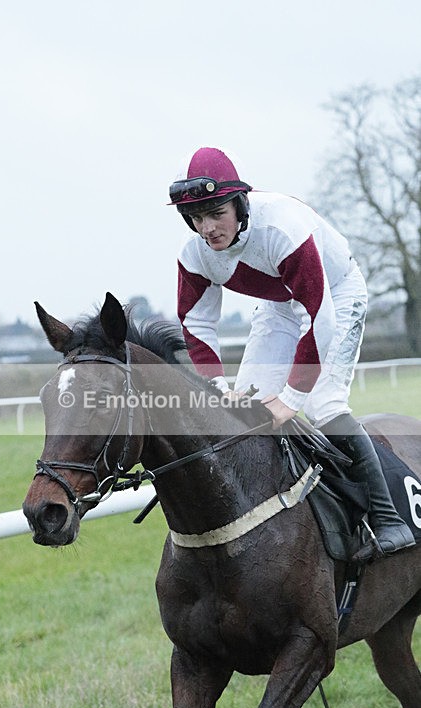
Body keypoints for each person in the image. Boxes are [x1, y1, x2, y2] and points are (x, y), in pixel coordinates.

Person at [169, 146, 415, 561]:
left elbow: (319, 318)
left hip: (334, 294)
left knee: (322, 405)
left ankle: (388, 518)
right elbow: (197, 324)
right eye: (196, 217)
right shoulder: (194, 255)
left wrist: (291, 399)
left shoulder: (281, 229)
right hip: (280, 305)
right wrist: (217, 387)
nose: (207, 228)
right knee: (245, 406)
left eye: (216, 213)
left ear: (240, 202)